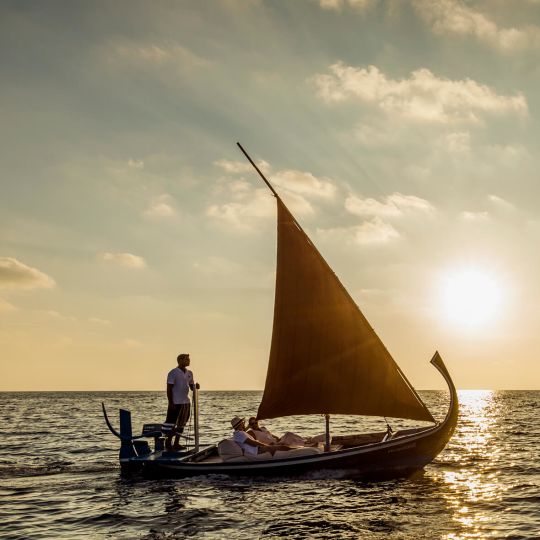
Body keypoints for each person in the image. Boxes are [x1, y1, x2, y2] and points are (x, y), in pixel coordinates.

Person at [164, 353, 199, 451]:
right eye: (186, 359)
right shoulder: (173, 372)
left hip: (186, 402)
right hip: (175, 402)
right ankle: (168, 443)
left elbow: (192, 386)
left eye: (189, 359)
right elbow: (169, 388)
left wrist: (196, 386)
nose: (189, 361)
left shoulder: (189, 373)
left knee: (182, 423)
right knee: (171, 423)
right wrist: (171, 403)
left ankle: (176, 443)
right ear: (180, 360)